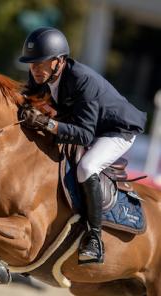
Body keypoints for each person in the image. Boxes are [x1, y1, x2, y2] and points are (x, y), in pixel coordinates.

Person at [18, 27, 146, 265]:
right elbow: (23, 99)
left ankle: (94, 238)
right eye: (31, 63)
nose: (34, 68)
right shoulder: (40, 75)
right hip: (85, 125)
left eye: (40, 63)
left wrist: (48, 123)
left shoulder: (81, 80)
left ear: (58, 61)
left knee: (86, 167)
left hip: (117, 131)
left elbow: (85, 135)